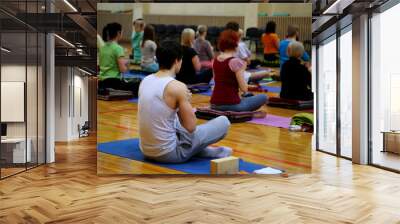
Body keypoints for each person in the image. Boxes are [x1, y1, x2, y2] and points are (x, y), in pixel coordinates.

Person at [138, 40, 232, 163]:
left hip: (146, 151)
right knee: (224, 122)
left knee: (175, 125)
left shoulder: (145, 80)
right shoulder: (177, 87)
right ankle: (200, 150)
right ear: (177, 60)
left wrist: (179, 103)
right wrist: (185, 100)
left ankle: (206, 151)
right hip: (170, 154)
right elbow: (190, 127)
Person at [210, 30, 268, 112]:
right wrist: (242, 69)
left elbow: (216, 83)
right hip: (232, 105)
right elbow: (244, 89)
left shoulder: (215, 60)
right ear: (235, 43)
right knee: (263, 97)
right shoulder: (235, 61)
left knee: (245, 99)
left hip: (214, 104)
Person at [99, 23, 136, 95]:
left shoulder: (102, 48)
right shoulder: (118, 48)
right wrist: (127, 64)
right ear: (118, 33)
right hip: (113, 82)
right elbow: (123, 70)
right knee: (137, 85)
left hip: (102, 82)